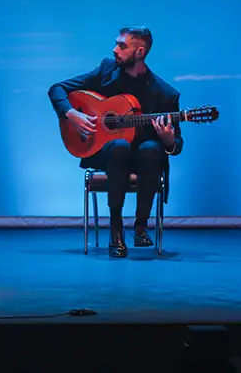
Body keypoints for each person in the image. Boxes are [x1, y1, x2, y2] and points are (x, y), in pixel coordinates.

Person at [48, 27, 182, 258]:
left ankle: (141, 225)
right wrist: (73, 114)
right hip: (105, 152)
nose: (115, 49)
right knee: (119, 147)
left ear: (139, 52)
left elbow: (176, 145)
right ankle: (116, 229)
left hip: (143, 160)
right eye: (116, 44)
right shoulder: (106, 70)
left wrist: (168, 140)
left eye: (122, 45)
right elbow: (57, 89)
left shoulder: (164, 94)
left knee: (151, 149)